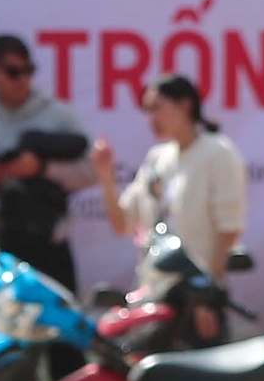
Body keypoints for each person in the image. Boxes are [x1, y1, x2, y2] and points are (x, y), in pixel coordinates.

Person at [90, 73, 248, 292]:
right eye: (146, 111)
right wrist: (106, 177)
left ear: (185, 105)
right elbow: (123, 224)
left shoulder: (218, 152)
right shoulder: (157, 158)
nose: (151, 119)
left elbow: (228, 229)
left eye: (157, 108)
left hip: (197, 295)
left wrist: (208, 291)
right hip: (155, 293)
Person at [0, 34, 93, 295]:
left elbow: (94, 170)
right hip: (3, 245)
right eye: (12, 72)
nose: (22, 80)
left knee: (61, 333)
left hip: (51, 243)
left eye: (28, 71)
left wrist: (42, 169)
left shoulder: (57, 114)